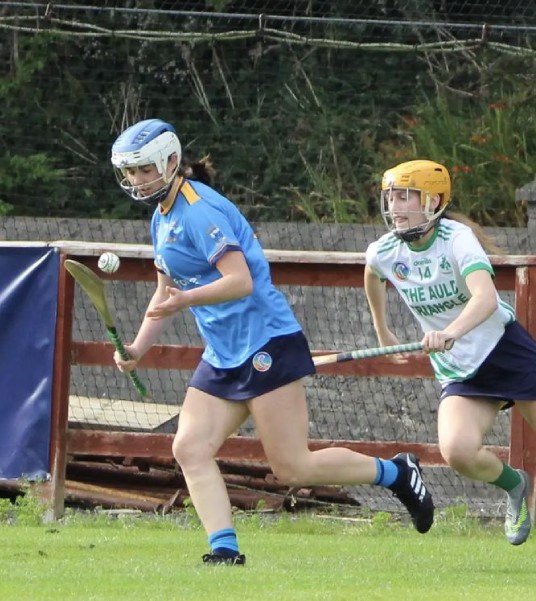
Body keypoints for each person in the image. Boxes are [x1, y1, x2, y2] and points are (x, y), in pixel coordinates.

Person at [110, 119, 435, 565]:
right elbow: (165, 291)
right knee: (188, 448)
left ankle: (397, 472)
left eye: (143, 169)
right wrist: (138, 347)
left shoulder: (199, 210)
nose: (136, 180)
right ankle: (224, 552)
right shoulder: (160, 217)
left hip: (266, 342)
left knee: (292, 468)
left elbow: (239, 281)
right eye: (130, 172)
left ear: (170, 162)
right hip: (223, 353)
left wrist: (186, 299)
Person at [364, 159, 536, 546]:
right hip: (458, 367)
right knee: (457, 451)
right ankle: (516, 487)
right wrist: (382, 329)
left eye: (405, 197)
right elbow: (371, 275)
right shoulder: (384, 251)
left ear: (433, 201)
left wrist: (450, 332)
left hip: (502, 349)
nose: (395, 207)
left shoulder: (456, 239)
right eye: (391, 197)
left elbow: (487, 298)